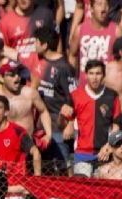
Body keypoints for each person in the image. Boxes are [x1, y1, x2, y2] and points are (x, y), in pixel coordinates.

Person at [65, 59, 121, 177]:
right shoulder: (75, 95)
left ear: (104, 75)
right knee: (82, 191)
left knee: (101, 193)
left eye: (98, 73)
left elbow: (116, 126)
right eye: (91, 73)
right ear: (86, 75)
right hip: (82, 154)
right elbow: (64, 125)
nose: (94, 77)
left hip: (104, 155)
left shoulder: (112, 96)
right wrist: (66, 120)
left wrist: (109, 146)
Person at [33, 26, 78, 173]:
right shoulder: (39, 62)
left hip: (59, 130)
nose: (34, 46)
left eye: (36, 42)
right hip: (42, 129)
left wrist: (70, 123)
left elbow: (73, 97)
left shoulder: (64, 67)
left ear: (44, 45)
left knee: (62, 171)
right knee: (45, 172)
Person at [0, 61, 53, 145]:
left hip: (27, 146)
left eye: (18, 73)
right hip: (2, 145)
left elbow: (43, 111)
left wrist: (48, 134)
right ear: (1, 78)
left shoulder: (30, 93)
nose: (17, 77)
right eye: (12, 74)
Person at [0, 0, 56, 66]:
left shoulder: (45, 15)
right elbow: (1, 51)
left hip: (41, 69)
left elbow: (56, 43)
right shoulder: (5, 21)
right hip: (17, 70)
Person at [71, 0, 122, 69]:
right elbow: (72, 56)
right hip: (85, 78)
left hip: (107, 78)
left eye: (106, 5)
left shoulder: (117, 31)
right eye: (99, 4)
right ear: (91, 9)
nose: (103, 8)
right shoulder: (80, 30)